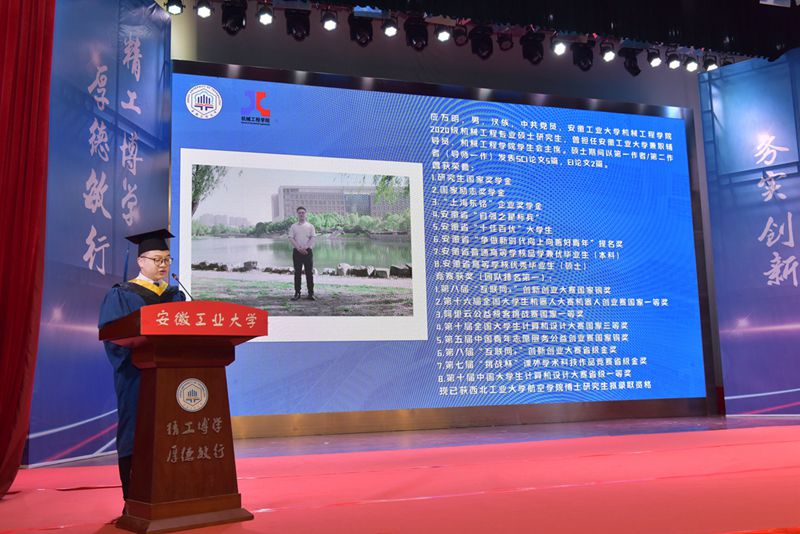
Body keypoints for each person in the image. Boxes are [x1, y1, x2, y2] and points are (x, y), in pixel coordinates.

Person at [98, 228, 185, 509]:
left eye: (167, 260)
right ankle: (134, 498)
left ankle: (171, 493)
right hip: (136, 377)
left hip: (171, 377)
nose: (163, 265)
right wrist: (139, 359)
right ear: (141, 261)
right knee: (135, 431)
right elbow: (112, 338)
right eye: (157, 259)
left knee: (171, 429)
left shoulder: (174, 295)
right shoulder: (121, 294)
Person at [288, 206, 316, 300]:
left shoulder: (310, 226)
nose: (301, 214)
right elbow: (291, 238)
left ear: (305, 214)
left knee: (309, 273)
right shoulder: (293, 226)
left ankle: (311, 293)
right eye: (299, 213)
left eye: (303, 212)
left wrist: (305, 247)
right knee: (297, 273)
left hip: (308, 252)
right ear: (297, 214)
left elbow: (313, 238)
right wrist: (298, 248)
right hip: (297, 252)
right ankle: (297, 293)